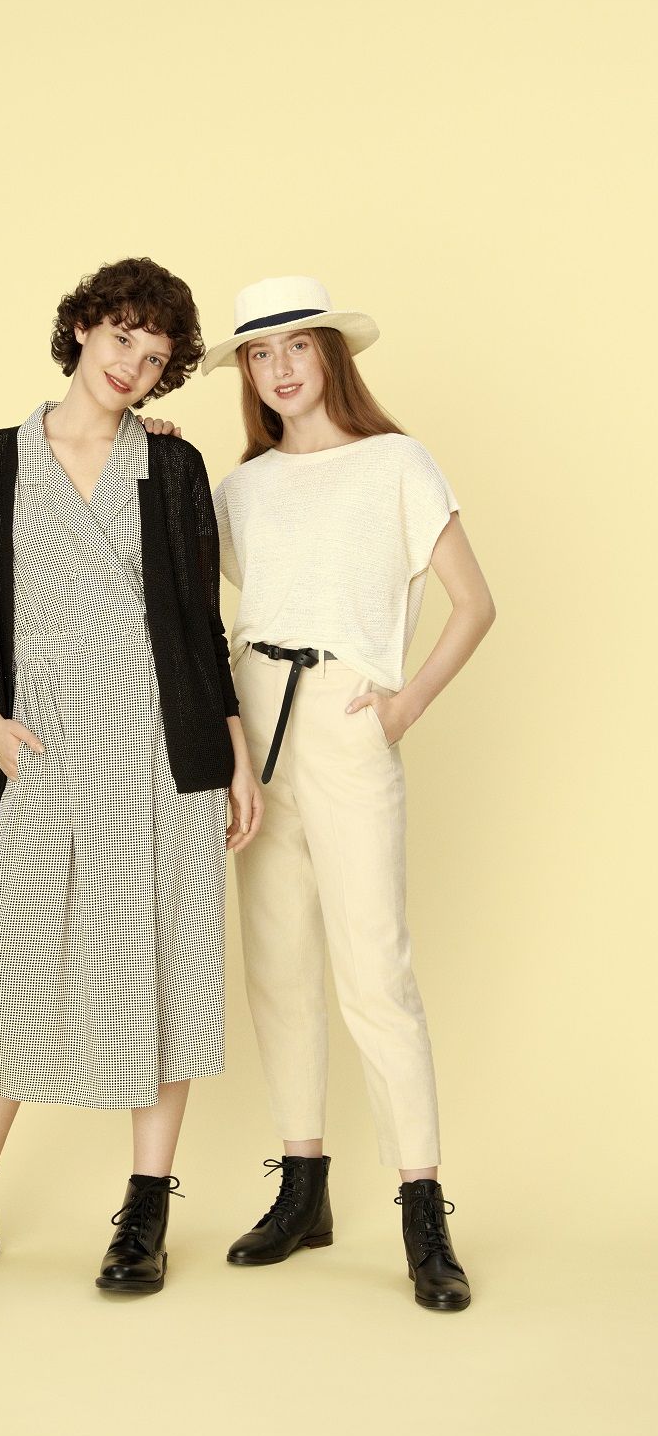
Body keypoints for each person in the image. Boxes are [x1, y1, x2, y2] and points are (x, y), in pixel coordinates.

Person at [0, 258, 261, 1295]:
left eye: (157, 356)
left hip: (165, 745)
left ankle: (144, 1211)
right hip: (46, 742)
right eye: (123, 337)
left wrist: (233, 754)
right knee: (14, 957)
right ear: (84, 327)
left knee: (166, 962)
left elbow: (199, 623)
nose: (134, 365)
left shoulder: (169, 466)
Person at [198, 274, 494, 1310]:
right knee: (277, 965)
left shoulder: (395, 463)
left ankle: (422, 1208)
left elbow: (473, 602)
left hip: (347, 717)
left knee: (376, 971)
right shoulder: (241, 488)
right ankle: (303, 1188)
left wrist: (404, 706)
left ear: (329, 355)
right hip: (253, 726)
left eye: (296, 347)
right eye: (258, 354)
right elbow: (188, 599)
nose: (278, 369)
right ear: (246, 372)